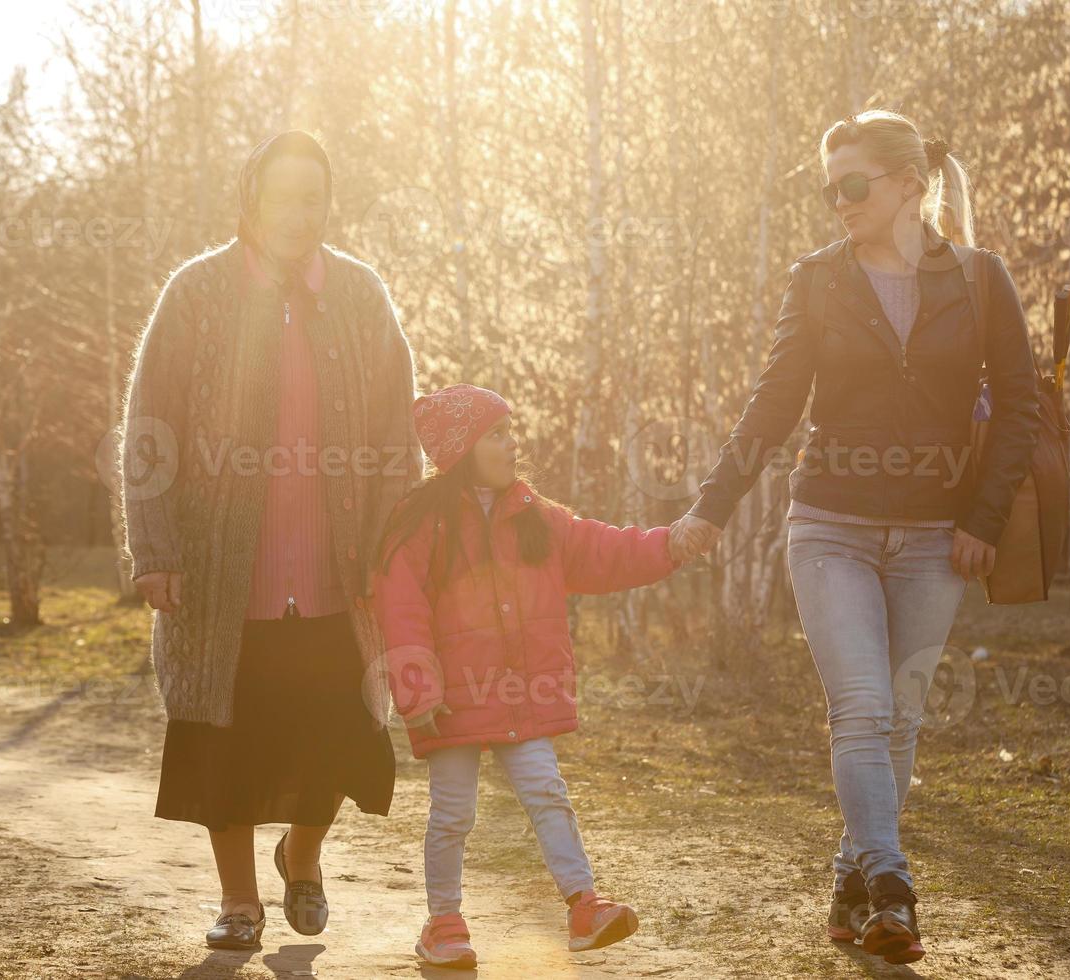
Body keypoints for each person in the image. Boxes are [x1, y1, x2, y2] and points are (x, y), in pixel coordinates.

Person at [670, 110, 1041, 965]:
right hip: (830, 525)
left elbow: (1020, 406)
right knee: (863, 709)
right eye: (826, 185)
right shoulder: (818, 280)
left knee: (900, 719)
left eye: (852, 183)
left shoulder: (982, 279)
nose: (836, 201)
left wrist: (983, 519)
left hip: (935, 540)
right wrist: (712, 507)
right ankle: (893, 892)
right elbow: (774, 403)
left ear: (909, 185)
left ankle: (847, 876)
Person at [120, 130, 423, 950]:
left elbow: (398, 431)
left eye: (314, 197)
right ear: (251, 200)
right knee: (226, 740)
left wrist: (395, 548)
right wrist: (154, 550)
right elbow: (151, 427)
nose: (301, 213)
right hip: (221, 575)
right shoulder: (197, 293)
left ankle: (304, 851)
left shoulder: (361, 294)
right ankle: (239, 901)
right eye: (285, 196)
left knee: (337, 735)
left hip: (337, 568)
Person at [371, 383, 691, 968]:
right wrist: (417, 690)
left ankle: (583, 906)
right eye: (498, 433)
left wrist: (671, 544)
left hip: (521, 694)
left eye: (510, 430)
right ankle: (443, 922)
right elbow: (400, 605)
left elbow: (605, 550)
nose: (513, 444)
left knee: (547, 792)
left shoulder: (535, 517)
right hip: (450, 701)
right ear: (464, 448)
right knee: (453, 812)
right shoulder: (423, 523)